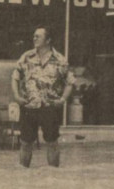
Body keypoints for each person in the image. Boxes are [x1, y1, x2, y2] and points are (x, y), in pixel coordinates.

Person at [11, 25, 75, 167]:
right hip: (29, 106)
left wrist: (63, 99)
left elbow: (70, 82)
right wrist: (16, 96)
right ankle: (23, 174)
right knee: (25, 142)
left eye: (38, 36)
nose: (34, 38)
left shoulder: (59, 60)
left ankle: (53, 177)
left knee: (52, 142)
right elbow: (15, 77)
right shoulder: (26, 57)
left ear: (48, 40)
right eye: (34, 35)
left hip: (50, 107)